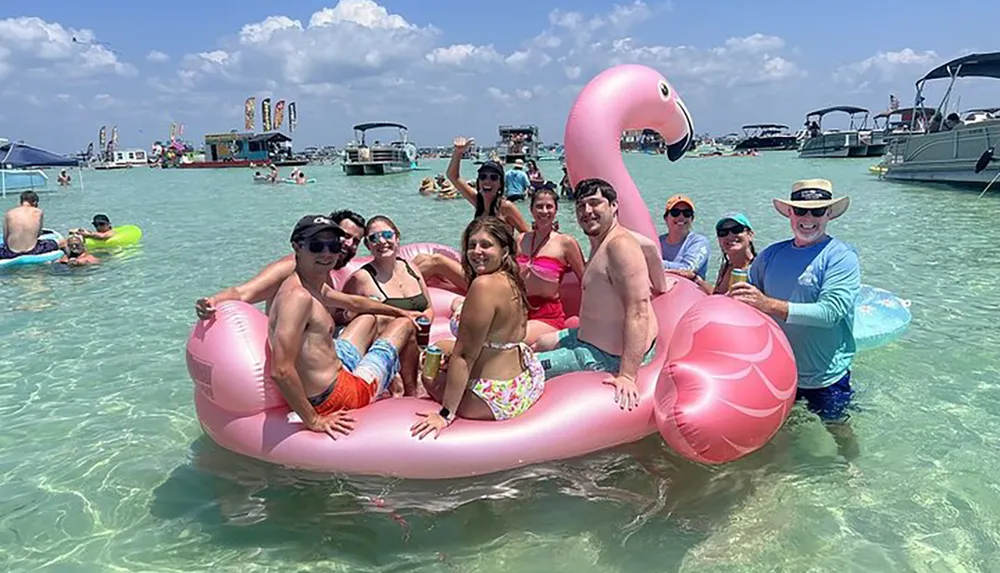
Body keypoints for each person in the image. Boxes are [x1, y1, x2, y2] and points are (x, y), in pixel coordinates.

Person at [729, 179, 861, 459]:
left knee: (839, 428)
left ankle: (853, 470)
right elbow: (748, 303)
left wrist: (769, 304)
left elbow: (830, 312)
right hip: (778, 373)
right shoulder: (770, 255)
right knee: (780, 433)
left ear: (829, 214)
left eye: (817, 211)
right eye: (801, 211)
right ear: (790, 214)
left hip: (825, 376)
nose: (808, 219)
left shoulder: (841, 257)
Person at [269, 215, 417, 438]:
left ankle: (396, 378)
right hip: (335, 397)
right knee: (405, 326)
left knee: (369, 317)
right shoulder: (297, 298)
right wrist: (314, 420)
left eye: (334, 245)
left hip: (334, 368)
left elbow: (353, 302)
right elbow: (280, 370)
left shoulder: (310, 284)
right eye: (317, 245)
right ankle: (411, 396)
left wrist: (399, 311)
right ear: (297, 247)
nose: (327, 253)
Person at [410, 217, 545, 438]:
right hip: (524, 383)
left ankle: (412, 394)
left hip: (493, 398)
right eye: (472, 245)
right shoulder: (512, 280)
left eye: (485, 245)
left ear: (504, 250)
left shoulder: (483, 286)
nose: (476, 251)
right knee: (441, 347)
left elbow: (464, 356)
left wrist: (444, 415)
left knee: (428, 371)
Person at [533, 178, 661, 410]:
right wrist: (662, 287)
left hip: (603, 358)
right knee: (540, 341)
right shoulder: (605, 239)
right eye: (581, 206)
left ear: (614, 206)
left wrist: (628, 376)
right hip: (587, 338)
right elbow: (651, 247)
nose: (587, 211)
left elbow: (638, 311)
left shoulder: (619, 246)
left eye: (595, 203)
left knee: (520, 369)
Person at [449, 187, 585, 343]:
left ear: (556, 210)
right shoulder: (521, 240)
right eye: (539, 206)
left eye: (549, 206)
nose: (544, 211)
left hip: (546, 315)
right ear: (531, 209)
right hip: (515, 308)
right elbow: (502, 272)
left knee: (507, 340)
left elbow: (585, 280)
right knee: (459, 307)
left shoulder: (565, 243)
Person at [195, 209, 366, 319]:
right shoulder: (291, 267)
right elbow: (244, 293)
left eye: (356, 241)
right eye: (346, 237)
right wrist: (212, 301)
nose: (350, 244)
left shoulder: (325, 273)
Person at [412, 137, 530, 291]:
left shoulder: (505, 207)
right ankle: (395, 279)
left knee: (436, 261)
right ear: (479, 181)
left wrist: (511, 255)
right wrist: (458, 152)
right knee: (422, 258)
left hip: (493, 273)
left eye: (494, 177)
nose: (487, 181)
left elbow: (528, 235)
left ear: (500, 184)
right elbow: (453, 176)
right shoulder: (478, 201)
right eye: (483, 177)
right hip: (478, 267)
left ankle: (399, 289)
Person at [343, 216, 433, 397]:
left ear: (397, 238)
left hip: (419, 347)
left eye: (387, 235)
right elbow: (339, 314)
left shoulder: (411, 268)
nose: (382, 241)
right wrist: (352, 313)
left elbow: (429, 307)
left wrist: (424, 323)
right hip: (387, 351)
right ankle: (405, 390)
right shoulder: (361, 278)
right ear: (368, 246)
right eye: (374, 238)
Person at [695, 212, 756, 294]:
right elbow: (718, 296)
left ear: (750, 235)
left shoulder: (758, 269)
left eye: (736, 230)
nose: (730, 235)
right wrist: (696, 279)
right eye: (723, 232)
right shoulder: (726, 268)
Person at [658, 194, 710, 281]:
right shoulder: (658, 242)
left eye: (687, 213)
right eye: (675, 212)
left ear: (692, 219)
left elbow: (687, 269)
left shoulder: (699, 242)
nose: (681, 217)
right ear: (666, 218)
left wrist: (655, 264)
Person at [1, 191, 60, 260]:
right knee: (62, 242)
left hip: (11, 253)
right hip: (32, 251)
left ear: (21, 201)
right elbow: (38, 234)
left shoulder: (9, 213)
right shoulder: (38, 212)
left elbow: (5, 237)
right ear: (35, 202)